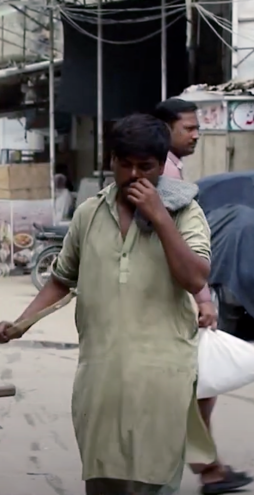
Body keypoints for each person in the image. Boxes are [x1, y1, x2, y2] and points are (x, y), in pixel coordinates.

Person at [0, 114, 217, 495]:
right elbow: (62, 279)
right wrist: (20, 324)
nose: (132, 175)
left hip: (162, 380)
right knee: (104, 481)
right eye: (123, 164)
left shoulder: (185, 213)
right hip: (100, 380)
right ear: (110, 160)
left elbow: (195, 278)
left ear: (162, 165)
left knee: (154, 480)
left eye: (144, 166)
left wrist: (159, 218)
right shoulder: (89, 213)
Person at [154, 97, 252, 494]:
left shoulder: (174, 169)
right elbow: (172, 245)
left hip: (187, 295)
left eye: (197, 127)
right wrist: (202, 297)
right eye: (188, 128)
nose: (197, 134)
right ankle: (199, 467)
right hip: (171, 300)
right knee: (195, 385)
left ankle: (206, 466)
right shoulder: (160, 172)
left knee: (200, 386)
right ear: (166, 131)